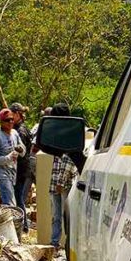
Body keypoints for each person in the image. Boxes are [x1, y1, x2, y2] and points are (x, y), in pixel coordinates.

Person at [49, 102, 77, 248]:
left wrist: (61, 181)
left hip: (63, 182)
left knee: (64, 215)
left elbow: (68, 160)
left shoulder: (69, 132)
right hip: (56, 180)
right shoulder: (59, 132)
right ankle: (55, 242)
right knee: (56, 215)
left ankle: (67, 242)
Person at [0, 108, 26, 208]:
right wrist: (7, 158)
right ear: (1, 122)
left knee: (9, 205)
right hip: (2, 175)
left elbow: (23, 152)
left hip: (13, 173)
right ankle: (11, 223)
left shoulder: (15, 133)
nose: (11, 122)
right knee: (11, 205)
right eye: (7, 120)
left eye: (12, 119)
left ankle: (0, 222)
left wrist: (21, 150)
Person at [10, 103, 34, 232]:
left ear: (17, 114)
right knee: (18, 196)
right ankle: (23, 225)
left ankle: (23, 225)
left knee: (18, 197)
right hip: (20, 168)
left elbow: (21, 152)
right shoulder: (20, 128)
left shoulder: (21, 131)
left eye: (11, 115)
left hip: (21, 168)